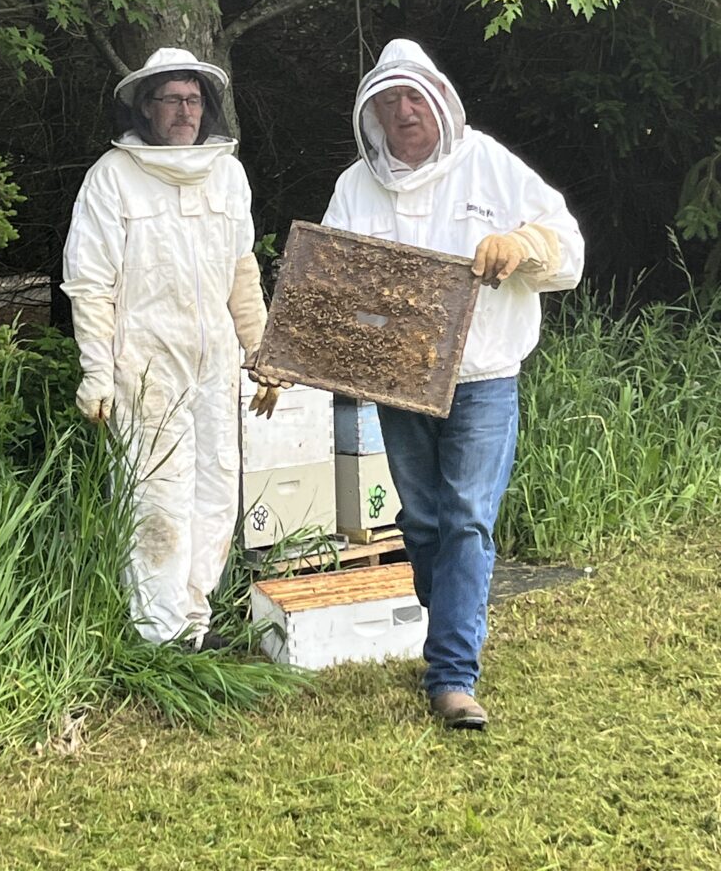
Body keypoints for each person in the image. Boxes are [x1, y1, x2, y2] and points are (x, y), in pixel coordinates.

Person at [322, 39, 584, 728]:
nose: (403, 112)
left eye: (414, 98)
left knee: (467, 516)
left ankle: (452, 675)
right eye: (389, 101)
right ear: (372, 113)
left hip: (482, 375)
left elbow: (569, 248)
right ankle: (450, 648)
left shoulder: (489, 166)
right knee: (424, 522)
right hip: (399, 382)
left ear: (438, 101)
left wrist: (523, 244)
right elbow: (329, 287)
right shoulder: (356, 186)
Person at [62, 46, 281, 651]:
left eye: (192, 99)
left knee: (215, 489)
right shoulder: (113, 178)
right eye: (170, 100)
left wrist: (263, 354)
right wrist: (97, 372)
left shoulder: (227, 174)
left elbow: (242, 274)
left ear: (204, 107)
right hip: (145, 368)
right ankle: (156, 636)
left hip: (215, 368)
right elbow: (89, 282)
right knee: (157, 496)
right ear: (146, 107)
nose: (184, 111)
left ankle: (193, 621)